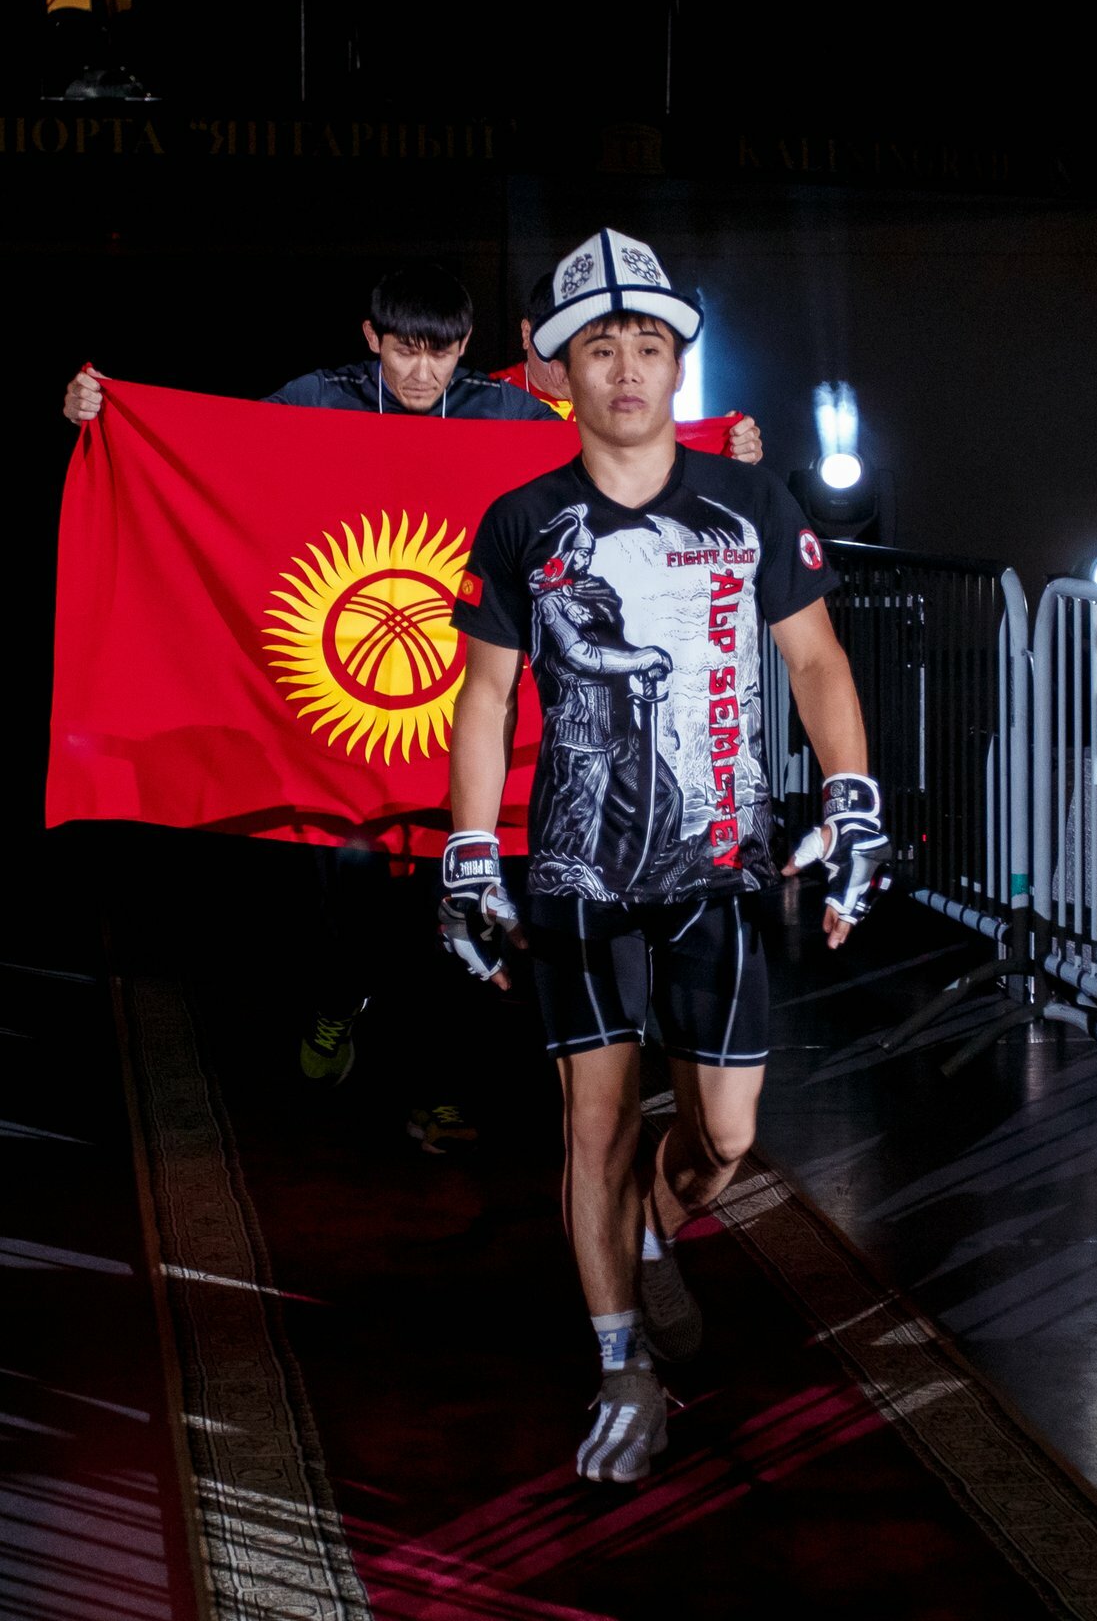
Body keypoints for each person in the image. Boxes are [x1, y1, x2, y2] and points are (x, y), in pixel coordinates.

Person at [440, 227, 890, 1484]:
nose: (627, 369)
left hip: (717, 863)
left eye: (647, 346)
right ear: (557, 372)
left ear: (677, 367)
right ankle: (619, 1364)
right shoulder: (522, 520)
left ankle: (648, 1228)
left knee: (724, 1140)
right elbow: (485, 695)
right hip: (578, 868)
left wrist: (851, 798)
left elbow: (814, 659)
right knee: (591, 1125)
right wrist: (468, 850)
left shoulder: (749, 501)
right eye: (600, 349)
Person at [62, 259, 559, 1150]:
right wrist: (104, 412)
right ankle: (338, 1000)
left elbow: (616, 458)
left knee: (456, 903)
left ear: (466, 348)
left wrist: (721, 449)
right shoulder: (319, 397)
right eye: (404, 350)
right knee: (352, 906)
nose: (422, 372)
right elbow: (207, 451)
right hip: (337, 716)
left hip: (458, 715)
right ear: (372, 340)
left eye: (442, 353)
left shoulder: (506, 415)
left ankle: (438, 1090)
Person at [490, 269, 766, 464]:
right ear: (527, 334)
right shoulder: (486, 400)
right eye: (553, 346)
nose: (566, 363)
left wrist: (728, 449)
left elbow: (663, 462)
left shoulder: (623, 394)